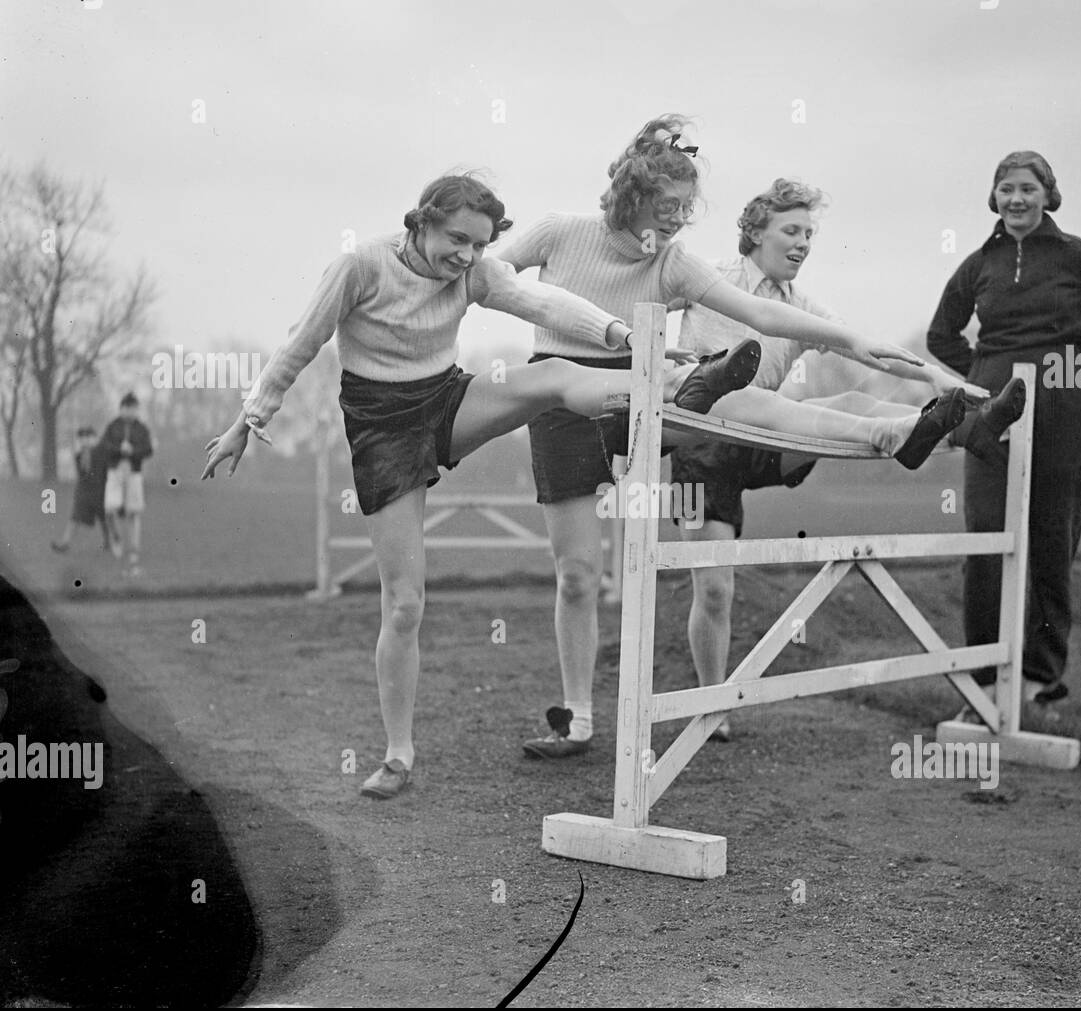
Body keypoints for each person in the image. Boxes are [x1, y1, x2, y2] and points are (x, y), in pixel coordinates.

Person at [200, 173, 758, 800]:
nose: (465, 256)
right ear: (421, 221)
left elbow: (545, 305)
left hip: (444, 401)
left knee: (549, 375)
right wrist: (248, 419)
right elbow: (302, 341)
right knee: (405, 602)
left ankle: (676, 391)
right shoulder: (361, 267)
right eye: (456, 239)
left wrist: (627, 337)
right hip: (383, 432)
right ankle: (398, 755)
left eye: (478, 244)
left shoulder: (476, 273)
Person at [496, 116, 1013, 760]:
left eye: (686, 211)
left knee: (819, 401)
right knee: (582, 574)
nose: (678, 223)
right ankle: (579, 717)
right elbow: (490, 275)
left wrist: (934, 373)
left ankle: (935, 424)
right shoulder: (567, 233)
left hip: (675, 408)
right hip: (614, 412)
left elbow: (789, 322)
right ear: (633, 196)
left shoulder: (681, 264)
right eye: (668, 208)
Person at [668, 178, 1028, 740]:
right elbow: (641, 293)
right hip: (703, 445)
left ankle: (968, 432)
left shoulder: (803, 307)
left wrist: (936, 374)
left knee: (851, 402)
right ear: (755, 232)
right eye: (791, 230)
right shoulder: (710, 279)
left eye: (810, 233)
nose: (804, 242)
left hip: (766, 435)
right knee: (714, 589)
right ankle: (712, 705)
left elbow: (866, 346)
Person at [927, 151, 1081, 726]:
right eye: (1006, 188)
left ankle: (1039, 678)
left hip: (1063, 411)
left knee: (1050, 540)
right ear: (994, 197)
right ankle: (983, 683)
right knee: (985, 540)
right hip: (992, 421)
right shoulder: (978, 264)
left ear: (1047, 195)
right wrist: (984, 373)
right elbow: (941, 335)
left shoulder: (1079, 255)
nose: (1016, 199)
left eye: (1028, 189)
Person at [101, 393, 154, 573]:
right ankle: (116, 537)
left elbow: (148, 450)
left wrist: (133, 451)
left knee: (134, 512)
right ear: (121, 408)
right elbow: (104, 447)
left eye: (134, 408)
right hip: (115, 472)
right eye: (127, 408)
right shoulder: (112, 426)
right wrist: (118, 449)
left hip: (133, 473)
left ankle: (133, 550)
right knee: (109, 508)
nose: (130, 412)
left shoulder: (142, 428)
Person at [51, 426, 111, 554]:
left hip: (101, 492)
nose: (85, 441)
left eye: (88, 437)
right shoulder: (79, 456)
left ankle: (109, 542)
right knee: (75, 517)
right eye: (82, 438)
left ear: (95, 438)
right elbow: (83, 474)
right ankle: (64, 543)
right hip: (84, 493)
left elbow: (106, 473)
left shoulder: (103, 454)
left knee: (105, 519)